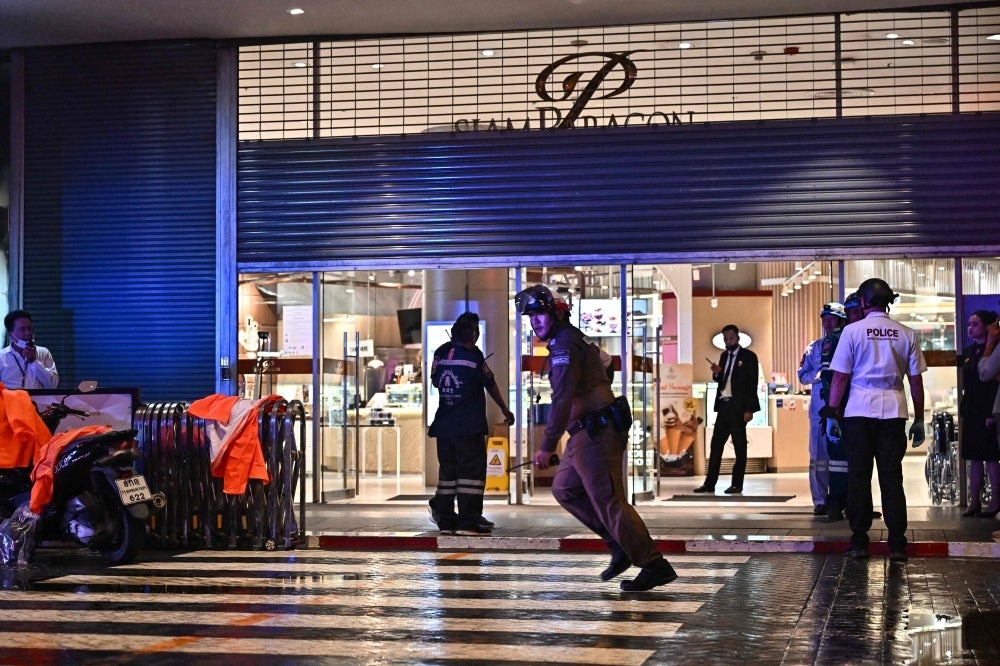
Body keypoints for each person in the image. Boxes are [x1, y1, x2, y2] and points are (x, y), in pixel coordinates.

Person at [516, 284, 677, 591]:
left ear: (555, 314)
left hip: (595, 434)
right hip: (583, 435)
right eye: (530, 317)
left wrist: (547, 445)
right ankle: (619, 544)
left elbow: (561, 399)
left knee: (610, 502)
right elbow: (605, 364)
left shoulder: (564, 346)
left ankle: (654, 564)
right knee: (564, 488)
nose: (535, 322)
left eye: (539, 314)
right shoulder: (574, 340)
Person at [826, 278, 926, 562]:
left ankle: (859, 541)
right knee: (892, 478)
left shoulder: (853, 332)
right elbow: (916, 382)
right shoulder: (906, 333)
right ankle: (897, 544)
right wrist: (919, 418)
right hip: (894, 412)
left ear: (864, 302)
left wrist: (833, 413)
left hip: (859, 411)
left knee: (859, 476)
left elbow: (841, 377)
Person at [427, 312, 515, 536]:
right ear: (474, 335)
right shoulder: (474, 356)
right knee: (471, 476)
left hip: (444, 427)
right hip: (469, 426)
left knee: (448, 475)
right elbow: (490, 383)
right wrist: (505, 410)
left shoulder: (440, 353)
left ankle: (446, 520)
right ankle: (468, 522)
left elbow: (436, 381)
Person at [694, 324, 761, 495]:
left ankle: (737, 484)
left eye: (730, 338)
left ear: (737, 338)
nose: (728, 341)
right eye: (725, 338)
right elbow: (722, 379)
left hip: (738, 407)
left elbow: (752, 383)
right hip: (724, 405)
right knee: (715, 445)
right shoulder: (724, 356)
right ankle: (709, 484)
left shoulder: (749, 357)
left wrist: (749, 409)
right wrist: (717, 373)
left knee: (739, 446)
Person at [797, 302, 847, 515]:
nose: (827, 323)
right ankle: (820, 501)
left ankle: (844, 500)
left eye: (831, 319)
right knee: (818, 458)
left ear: (841, 321)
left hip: (843, 410)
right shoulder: (813, 347)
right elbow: (802, 375)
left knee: (843, 458)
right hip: (819, 410)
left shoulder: (847, 342)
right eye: (824, 319)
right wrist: (819, 376)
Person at [968, 310, 1000, 517]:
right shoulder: (970, 352)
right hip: (972, 409)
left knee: (990, 457)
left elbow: (988, 379)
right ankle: (974, 501)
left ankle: (996, 499)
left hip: (988, 408)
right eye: (969, 324)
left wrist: (991, 412)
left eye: (975, 324)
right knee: (973, 457)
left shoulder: (994, 350)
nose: (971, 328)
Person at [0, 309, 59, 390]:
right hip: (12, 401)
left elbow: (52, 386)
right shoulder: (1, 357)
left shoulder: (43, 352)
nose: (27, 333)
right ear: (11, 334)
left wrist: (34, 361)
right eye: (22, 329)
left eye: (29, 328)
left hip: (39, 402)